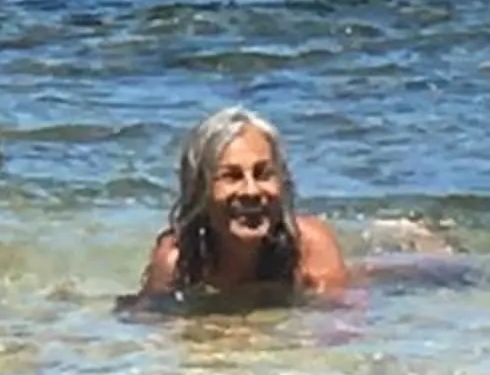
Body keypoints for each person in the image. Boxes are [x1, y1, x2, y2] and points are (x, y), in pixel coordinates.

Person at [134, 105, 350, 306]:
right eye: (231, 176)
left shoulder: (309, 249)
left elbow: (343, 322)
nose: (251, 191)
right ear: (199, 190)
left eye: (263, 174)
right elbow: (145, 319)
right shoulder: (178, 263)